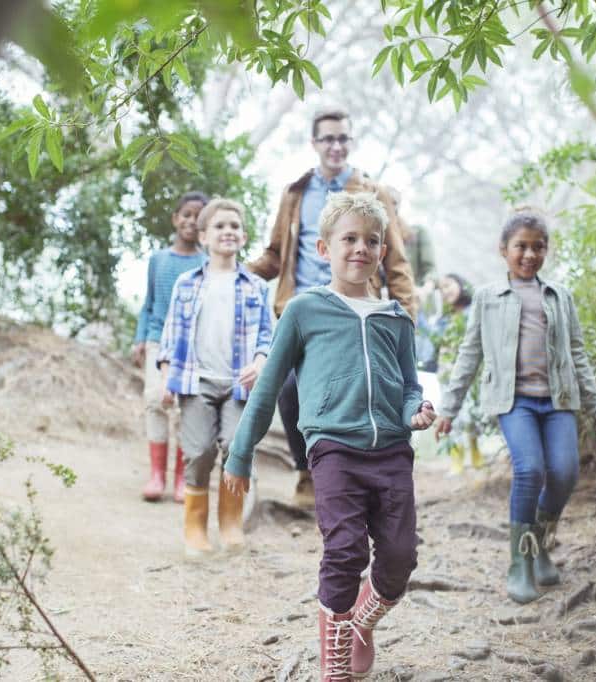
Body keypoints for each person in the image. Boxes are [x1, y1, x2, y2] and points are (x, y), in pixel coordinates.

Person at [224, 192, 435, 681]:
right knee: (344, 551)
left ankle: (362, 622)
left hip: (392, 452)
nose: (360, 248)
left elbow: (408, 385)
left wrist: (415, 410)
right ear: (324, 249)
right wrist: (240, 453)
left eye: (372, 240)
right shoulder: (304, 310)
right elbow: (270, 384)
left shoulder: (395, 318)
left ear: (383, 251)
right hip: (333, 448)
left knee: (400, 558)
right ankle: (334, 658)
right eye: (349, 238)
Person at [435, 210, 596, 604]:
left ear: (547, 250)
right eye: (521, 246)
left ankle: (539, 544)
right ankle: (520, 563)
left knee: (564, 474)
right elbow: (470, 354)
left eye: (538, 246)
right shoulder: (487, 297)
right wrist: (448, 408)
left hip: (558, 400)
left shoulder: (560, 296)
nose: (530, 254)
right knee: (530, 469)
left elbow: (577, 353)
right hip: (514, 402)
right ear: (504, 250)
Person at [248, 108, 416, 508]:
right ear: (315, 144)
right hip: (301, 312)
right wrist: (235, 274)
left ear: (351, 143)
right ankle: (307, 472)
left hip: (356, 311)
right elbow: (274, 255)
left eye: (343, 138)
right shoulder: (295, 194)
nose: (336, 146)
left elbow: (396, 264)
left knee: (359, 390)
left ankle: (367, 480)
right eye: (328, 139)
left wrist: (404, 318)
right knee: (289, 390)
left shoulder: (373, 194)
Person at [156, 198, 273, 556]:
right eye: (220, 226)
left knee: (237, 448)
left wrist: (260, 361)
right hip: (196, 382)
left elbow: (268, 336)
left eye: (234, 226)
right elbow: (170, 338)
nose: (228, 232)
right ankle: (195, 531)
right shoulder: (187, 284)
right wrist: (165, 379)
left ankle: (231, 525)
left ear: (244, 236)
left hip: (239, 385)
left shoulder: (256, 287)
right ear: (203, 236)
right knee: (199, 451)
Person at [131, 191, 208, 503]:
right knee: (154, 400)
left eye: (197, 217)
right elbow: (148, 304)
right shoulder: (158, 260)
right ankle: (156, 475)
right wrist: (139, 339)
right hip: (156, 340)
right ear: (176, 218)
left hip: (192, 346)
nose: (191, 221)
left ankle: (182, 478)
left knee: (184, 407)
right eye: (186, 214)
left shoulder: (207, 262)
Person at [432, 273, 484, 475]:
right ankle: (456, 459)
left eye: (449, 285)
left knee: (470, 415)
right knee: (451, 418)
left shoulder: (472, 312)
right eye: (441, 289)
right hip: (446, 375)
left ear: (461, 285)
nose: (446, 291)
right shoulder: (443, 318)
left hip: (468, 374)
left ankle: (476, 453)